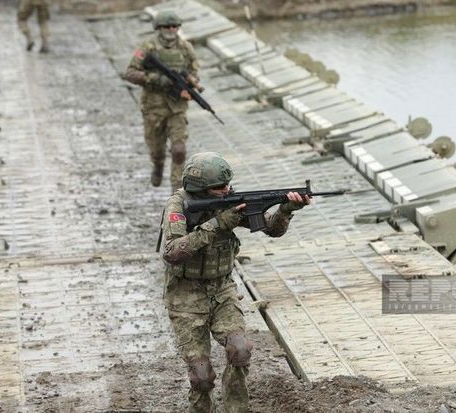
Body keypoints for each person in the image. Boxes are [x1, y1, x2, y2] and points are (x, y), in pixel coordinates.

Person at [160, 152, 310, 413]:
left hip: (222, 289)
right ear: (201, 189)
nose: (228, 190)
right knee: (202, 376)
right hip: (186, 296)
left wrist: (286, 209)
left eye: (228, 185)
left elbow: (272, 229)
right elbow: (173, 253)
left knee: (240, 351)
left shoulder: (229, 201)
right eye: (220, 187)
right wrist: (217, 224)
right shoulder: (178, 207)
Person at [123, 10, 200, 193]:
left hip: (177, 107)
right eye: (167, 26)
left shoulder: (185, 48)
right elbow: (130, 73)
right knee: (157, 150)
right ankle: (158, 165)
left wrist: (188, 82)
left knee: (179, 149)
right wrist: (156, 79)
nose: (171, 29)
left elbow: (194, 71)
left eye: (175, 26)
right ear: (159, 27)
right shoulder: (147, 47)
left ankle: (177, 190)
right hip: (154, 107)